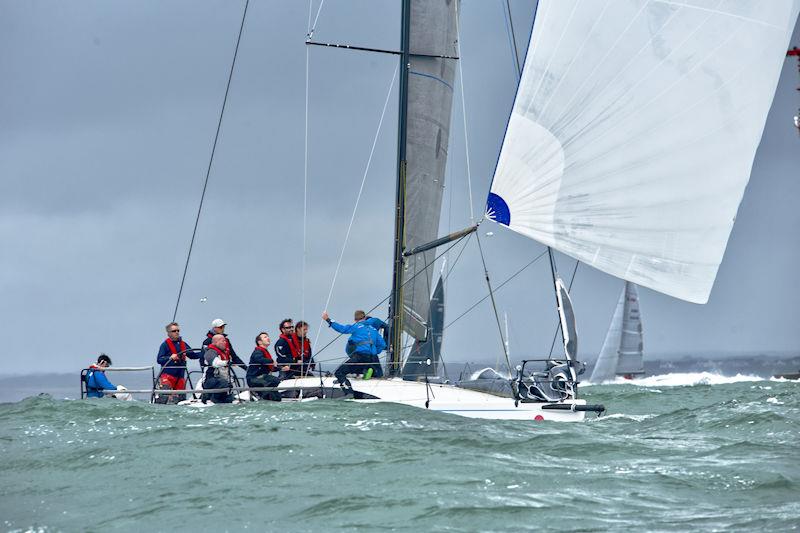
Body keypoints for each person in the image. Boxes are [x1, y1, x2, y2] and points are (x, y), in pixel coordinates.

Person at [322, 310, 386, 390]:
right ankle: (367, 371)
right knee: (378, 376)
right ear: (365, 318)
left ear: (355, 320)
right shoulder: (373, 329)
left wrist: (328, 320)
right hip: (374, 358)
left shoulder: (356, 327)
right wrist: (376, 351)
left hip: (361, 356)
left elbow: (341, 328)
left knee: (339, 372)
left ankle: (348, 389)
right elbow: (382, 344)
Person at [155, 322, 200, 404]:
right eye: (174, 331)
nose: (177, 332)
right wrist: (170, 358)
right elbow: (159, 359)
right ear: (168, 333)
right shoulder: (164, 345)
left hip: (180, 377)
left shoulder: (183, 344)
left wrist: (205, 352)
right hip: (167, 376)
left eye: (178, 330)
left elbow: (193, 355)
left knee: (181, 400)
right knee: (164, 398)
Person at [202, 334, 247, 403]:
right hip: (210, 380)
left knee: (228, 386)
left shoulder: (225, 353)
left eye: (225, 341)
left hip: (222, 380)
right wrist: (226, 363)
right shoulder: (210, 352)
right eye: (223, 341)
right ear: (216, 342)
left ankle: (224, 399)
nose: (225, 343)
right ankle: (211, 398)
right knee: (223, 383)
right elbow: (215, 362)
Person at [246, 332, 282, 402]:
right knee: (273, 381)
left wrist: (281, 368)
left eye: (268, 336)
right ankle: (258, 395)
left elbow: (269, 367)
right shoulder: (258, 351)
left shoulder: (265, 352)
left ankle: (271, 398)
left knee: (276, 394)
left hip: (262, 377)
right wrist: (271, 360)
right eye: (265, 337)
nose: (268, 338)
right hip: (254, 378)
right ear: (259, 342)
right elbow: (259, 359)